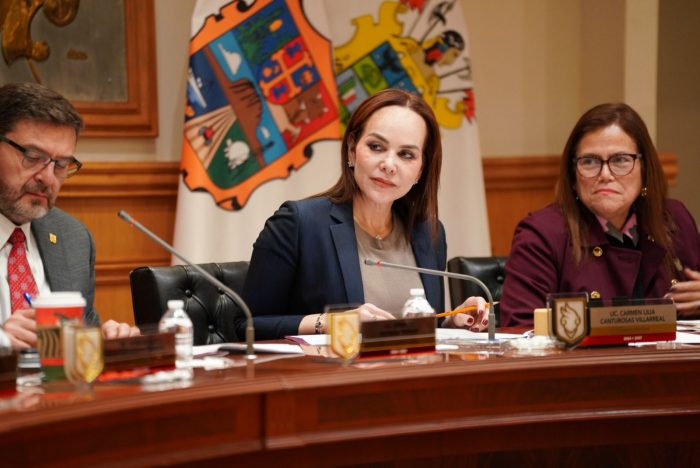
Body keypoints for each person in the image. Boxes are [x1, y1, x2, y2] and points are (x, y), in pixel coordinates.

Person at [240, 88, 487, 340]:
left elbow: (418, 330)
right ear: (352, 150)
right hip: (329, 365)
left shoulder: (428, 232)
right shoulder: (298, 223)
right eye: (376, 146)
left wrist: (453, 323)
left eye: (406, 154)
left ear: (420, 170)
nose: (388, 165)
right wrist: (332, 322)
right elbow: (247, 326)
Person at [500, 102, 700, 326]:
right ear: (573, 176)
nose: (605, 174)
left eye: (620, 160)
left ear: (645, 169)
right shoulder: (542, 233)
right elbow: (521, 330)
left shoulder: (674, 219)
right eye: (589, 161)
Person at [0, 82, 140, 349]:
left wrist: (104, 342)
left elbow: (79, 338)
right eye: (32, 156)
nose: (47, 178)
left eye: (61, 164)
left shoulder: (72, 237)